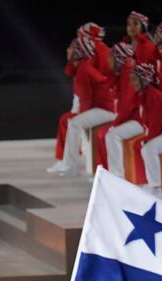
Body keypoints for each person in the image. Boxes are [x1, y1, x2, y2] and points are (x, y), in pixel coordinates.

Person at [49, 33, 115, 176]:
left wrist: (80, 115)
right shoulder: (84, 67)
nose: (67, 50)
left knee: (74, 123)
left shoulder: (84, 70)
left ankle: (70, 165)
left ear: (79, 51)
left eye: (71, 48)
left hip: (106, 110)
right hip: (101, 108)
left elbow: (87, 99)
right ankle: (70, 163)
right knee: (74, 122)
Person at [105, 63, 162, 181]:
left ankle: (155, 186)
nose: (131, 83)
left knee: (146, 148)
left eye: (134, 79)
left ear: (143, 79)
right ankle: (127, 177)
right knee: (114, 136)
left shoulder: (153, 95)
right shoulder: (142, 93)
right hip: (148, 127)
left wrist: (148, 138)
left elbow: (156, 122)